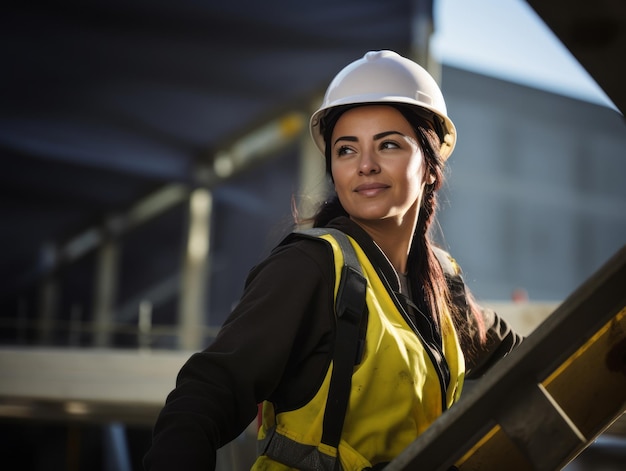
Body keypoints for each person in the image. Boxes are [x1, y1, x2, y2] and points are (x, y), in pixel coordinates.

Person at [144, 50, 523, 471]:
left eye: (389, 145)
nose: (364, 165)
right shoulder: (312, 268)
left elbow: (526, 361)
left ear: (431, 166)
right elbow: (206, 394)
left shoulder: (440, 284)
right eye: (346, 150)